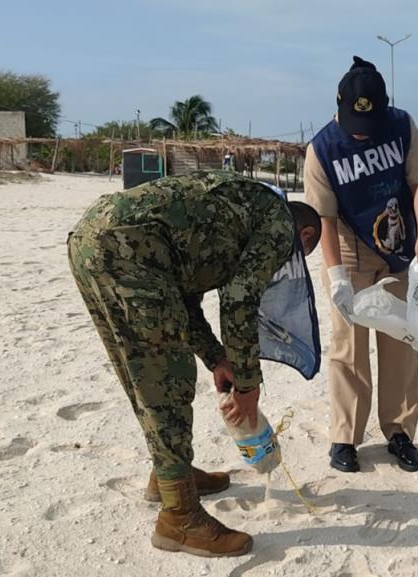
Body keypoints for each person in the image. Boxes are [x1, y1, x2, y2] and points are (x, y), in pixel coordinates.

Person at [68, 171, 320, 557]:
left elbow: (185, 292)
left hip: (93, 240)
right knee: (166, 381)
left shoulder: (244, 205)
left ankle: (171, 476)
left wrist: (217, 357)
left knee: (142, 372)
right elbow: (238, 298)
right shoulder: (279, 225)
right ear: (304, 237)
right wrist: (248, 388)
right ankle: (179, 518)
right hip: (128, 253)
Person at [304, 56, 418, 474]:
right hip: (347, 249)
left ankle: (399, 432)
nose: (361, 131)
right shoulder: (322, 149)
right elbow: (323, 217)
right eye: (353, 123)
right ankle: (345, 438)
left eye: (368, 122)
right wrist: (336, 276)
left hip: (395, 248)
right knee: (349, 347)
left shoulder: (401, 126)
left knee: (400, 342)